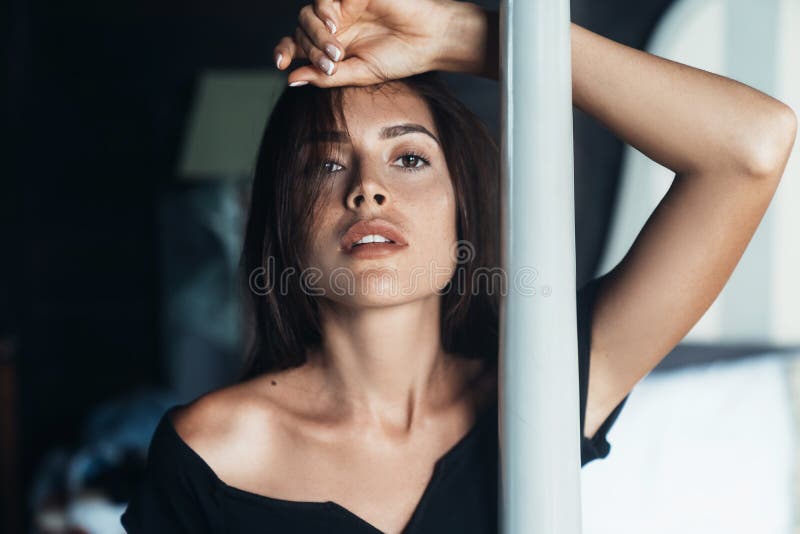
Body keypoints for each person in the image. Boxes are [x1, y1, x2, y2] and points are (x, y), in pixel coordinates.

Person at [121, 1, 797, 533]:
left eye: (409, 158)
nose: (368, 189)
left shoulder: (540, 394)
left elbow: (751, 146)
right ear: (283, 226)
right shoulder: (209, 454)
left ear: (460, 214)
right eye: (326, 165)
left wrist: (461, 34)